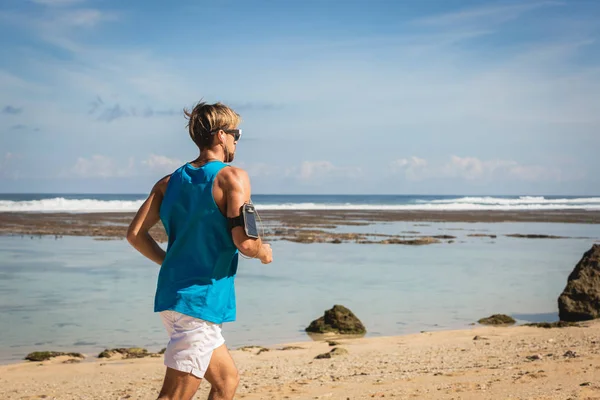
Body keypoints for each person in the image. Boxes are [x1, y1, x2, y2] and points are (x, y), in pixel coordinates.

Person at [126, 101, 273, 400]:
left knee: (225, 382)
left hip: (172, 298)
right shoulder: (233, 177)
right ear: (221, 135)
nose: (236, 141)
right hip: (199, 303)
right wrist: (263, 251)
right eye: (236, 134)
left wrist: (170, 263)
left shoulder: (168, 182)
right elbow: (244, 242)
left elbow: (136, 235)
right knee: (174, 396)